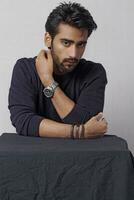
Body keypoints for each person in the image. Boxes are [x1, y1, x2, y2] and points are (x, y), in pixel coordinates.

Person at [8, 2, 108, 139]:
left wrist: (48, 80)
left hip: (80, 157)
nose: (74, 54)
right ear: (48, 39)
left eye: (81, 44)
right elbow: (23, 122)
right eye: (66, 43)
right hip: (35, 156)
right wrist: (80, 132)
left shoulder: (94, 73)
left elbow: (84, 121)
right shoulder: (24, 69)